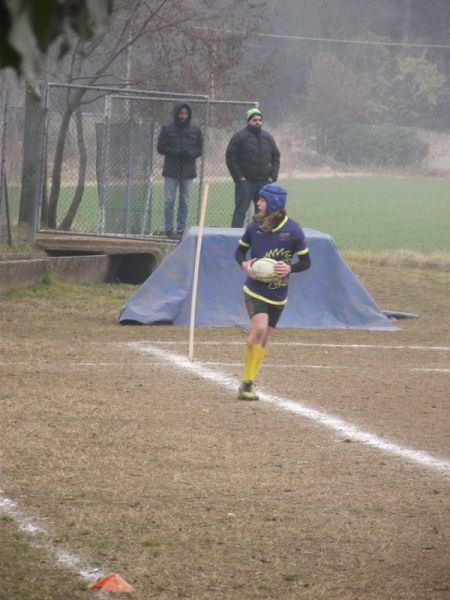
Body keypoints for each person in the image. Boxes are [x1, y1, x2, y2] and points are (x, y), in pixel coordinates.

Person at [234, 183, 311, 401]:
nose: (257, 203)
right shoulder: (253, 227)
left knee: (265, 338)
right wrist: (245, 265)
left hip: (278, 295)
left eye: (261, 200)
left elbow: (306, 262)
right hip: (255, 289)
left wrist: (290, 268)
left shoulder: (293, 230)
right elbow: (239, 252)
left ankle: (251, 381)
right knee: (259, 329)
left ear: (273, 203)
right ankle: (246, 383)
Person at [226, 107, 281, 228]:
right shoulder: (239, 137)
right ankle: (235, 236)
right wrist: (239, 177)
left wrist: (272, 177)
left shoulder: (268, 137)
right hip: (246, 182)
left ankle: (261, 236)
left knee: (263, 213)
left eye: (259, 120)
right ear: (248, 121)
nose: (257, 122)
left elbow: (276, 157)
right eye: (254, 120)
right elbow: (230, 158)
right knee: (240, 211)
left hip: (264, 182)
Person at [157, 101, 203, 239]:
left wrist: (190, 153)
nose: (183, 116)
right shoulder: (167, 128)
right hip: (171, 169)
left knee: (185, 201)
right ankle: (169, 229)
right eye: (181, 113)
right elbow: (161, 147)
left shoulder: (195, 130)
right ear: (176, 114)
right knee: (169, 201)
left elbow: (199, 149)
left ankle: (181, 229)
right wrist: (175, 152)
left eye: (186, 113)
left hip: (188, 170)